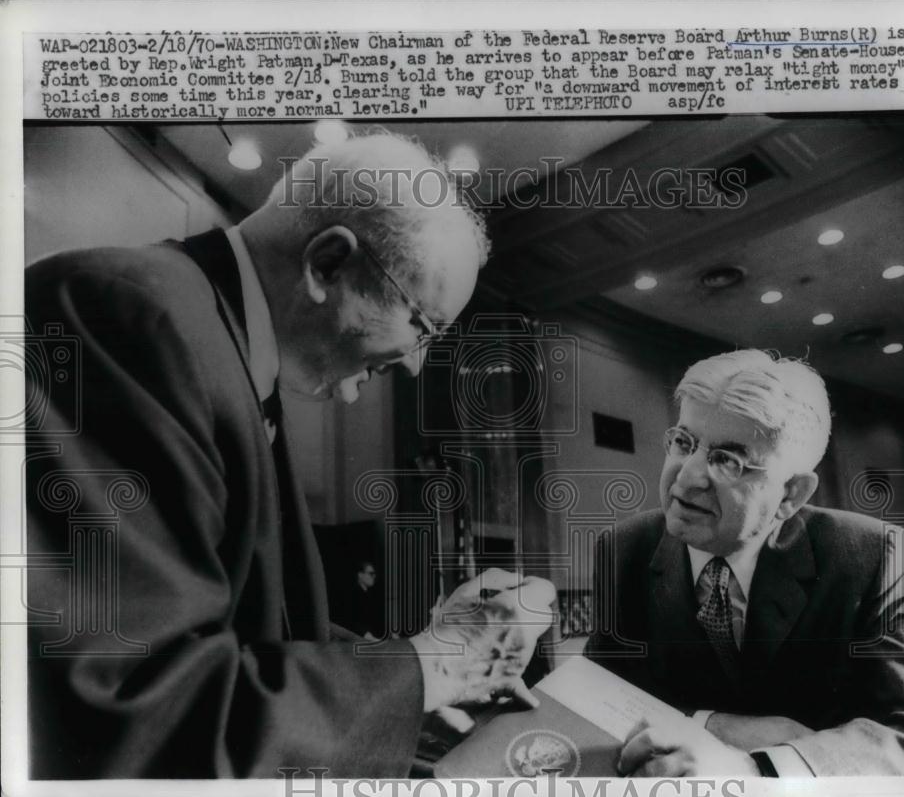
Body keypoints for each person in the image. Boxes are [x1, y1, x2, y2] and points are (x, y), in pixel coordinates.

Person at [25, 128, 555, 778]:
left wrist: (406, 689)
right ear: (326, 263)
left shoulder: (218, 347)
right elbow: (133, 716)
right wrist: (439, 660)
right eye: (422, 325)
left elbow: (256, 631)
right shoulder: (122, 315)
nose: (417, 365)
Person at [585, 349, 904, 777]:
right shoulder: (623, 548)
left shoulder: (869, 555)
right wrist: (713, 725)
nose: (686, 477)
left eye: (728, 460)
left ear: (791, 494)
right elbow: (594, 697)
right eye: (684, 442)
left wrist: (756, 768)